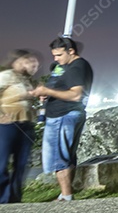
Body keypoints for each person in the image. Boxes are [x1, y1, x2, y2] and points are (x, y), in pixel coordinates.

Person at [30, 37, 93, 201]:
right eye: (54, 55)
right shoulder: (64, 67)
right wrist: (47, 93)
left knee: (59, 158)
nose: (55, 59)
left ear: (71, 51)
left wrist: (48, 91)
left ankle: (66, 197)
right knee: (67, 156)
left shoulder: (76, 67)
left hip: (63, 116)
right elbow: (61, 88)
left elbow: (76, 94)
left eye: (58, 55)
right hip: (65, 115)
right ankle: (65, 194)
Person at [0, 49, 41, 203]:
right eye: (26, 60)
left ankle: (15, 199)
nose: (30, 64)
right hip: (7, 126)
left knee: (21, 164)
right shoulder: (5, 76)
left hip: (26, 126)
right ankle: (3, 199)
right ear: (16, 62)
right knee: (1, 164)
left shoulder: (28, 80)